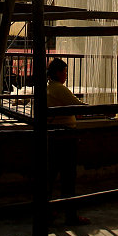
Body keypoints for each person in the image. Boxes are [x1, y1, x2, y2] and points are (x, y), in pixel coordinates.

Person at [46, 57, 90, 225]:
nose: (65, 74)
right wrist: (102, 111)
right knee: (68, 176)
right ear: (58, 72)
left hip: (54, 136)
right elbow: (79, 107)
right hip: (65, 137)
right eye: (64, 71)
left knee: (51, 174)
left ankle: (48, 209)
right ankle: (70, 215)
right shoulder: (59, 89)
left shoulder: (49, 88)